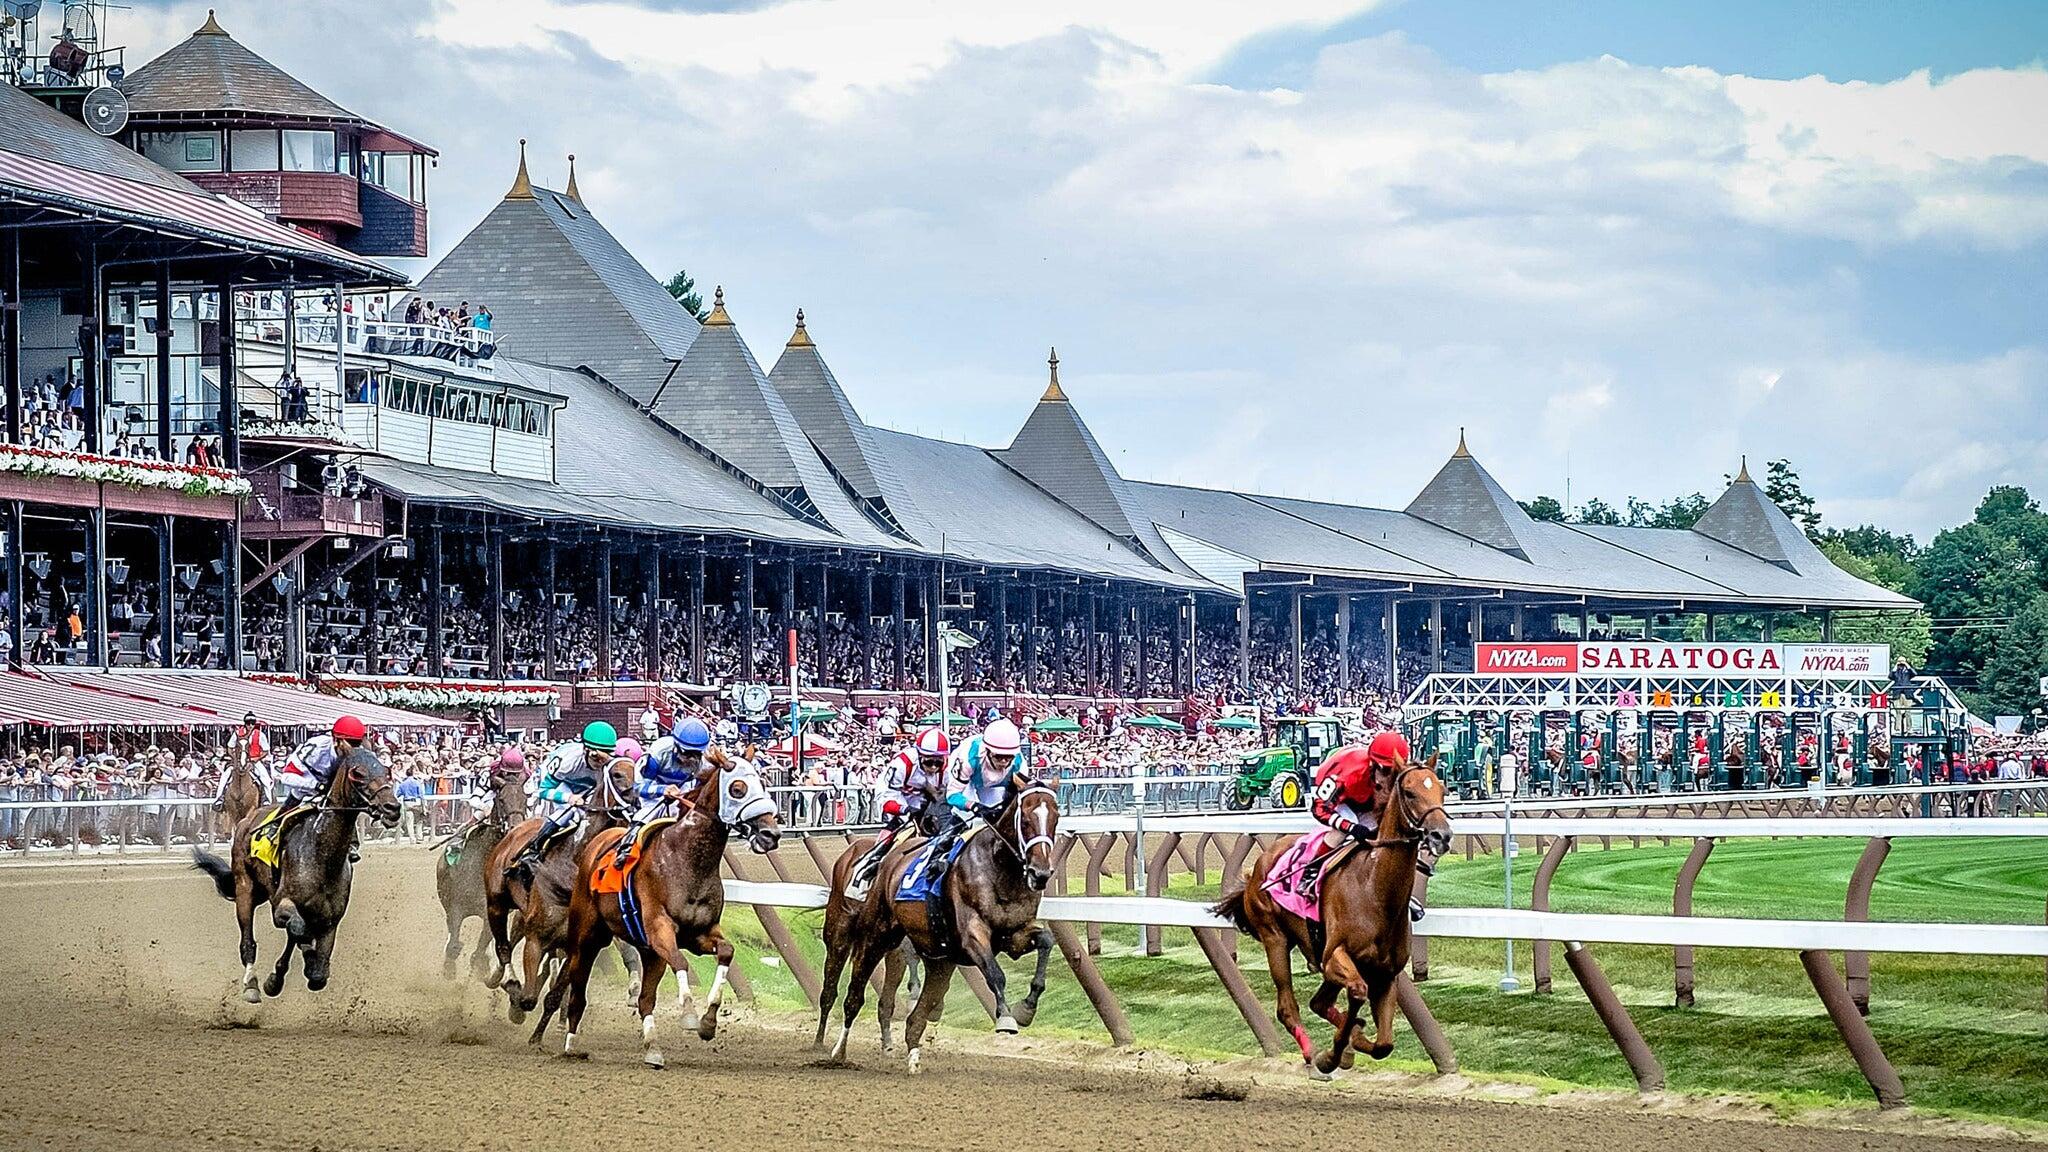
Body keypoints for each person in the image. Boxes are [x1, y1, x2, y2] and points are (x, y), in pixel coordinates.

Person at [1301, 732, 1424, 921]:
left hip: (1368, 800)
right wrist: (1350, 827)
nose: (1389, 779)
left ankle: (1401, 895)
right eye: (1385, 771)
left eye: (1395, 772)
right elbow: (1319, 808)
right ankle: (1310, 873)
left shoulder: (1395, 776)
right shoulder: (1350, 771)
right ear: (1373, 764)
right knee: (1341, 832)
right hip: (1342, 800)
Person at [918, 718, 1025, 889]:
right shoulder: (968, 758)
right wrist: (974, 806)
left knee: (999, 820)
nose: (1004, 762)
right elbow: (953, 796)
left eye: (1008, 757)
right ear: (988, 751)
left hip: (994, 786)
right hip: (967, 781)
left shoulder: (1019, 762)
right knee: (964, 817)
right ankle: (937, 858)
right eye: (999, 756)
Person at [847, 726, 948, 895]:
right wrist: (905, 809)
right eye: (928, 762)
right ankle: (873, 861)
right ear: (919, 755)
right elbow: (887, 796)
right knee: (902, 822)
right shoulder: (902, 764)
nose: (933, 767)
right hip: (896, 793)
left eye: (938, 762)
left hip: (924, 797)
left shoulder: (948, 769)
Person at [511, 721, 617, 873]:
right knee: (569, 813)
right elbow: (543, 791)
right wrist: (568, 798)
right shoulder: (568, 760)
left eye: (603, 759)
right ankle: (533, 850)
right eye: (596, 758)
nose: (599, 763)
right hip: (557, 783)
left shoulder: (609, 764)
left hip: (586, 789)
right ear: (586, 750)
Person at [613, 718, 711, 866]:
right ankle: (625, 849)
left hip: (682, 790)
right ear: (676, 746)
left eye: (696, 754)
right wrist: (663, 790)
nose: (690, 759)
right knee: (645, 814)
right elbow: (638, 788)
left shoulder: (704, 761)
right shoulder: (658, 752)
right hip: (653, 791)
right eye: (686, 753)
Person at [270, 715, 369, 860]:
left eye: (357, 743)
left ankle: (351, 843)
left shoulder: (355, 753)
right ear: (336, 740)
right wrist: (316, 785)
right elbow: (287, 777)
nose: (355, 748)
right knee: (294, 797)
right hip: (304, 787)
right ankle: (275, 827)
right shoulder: (317, 748)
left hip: (330, 789)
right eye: (351, 743)